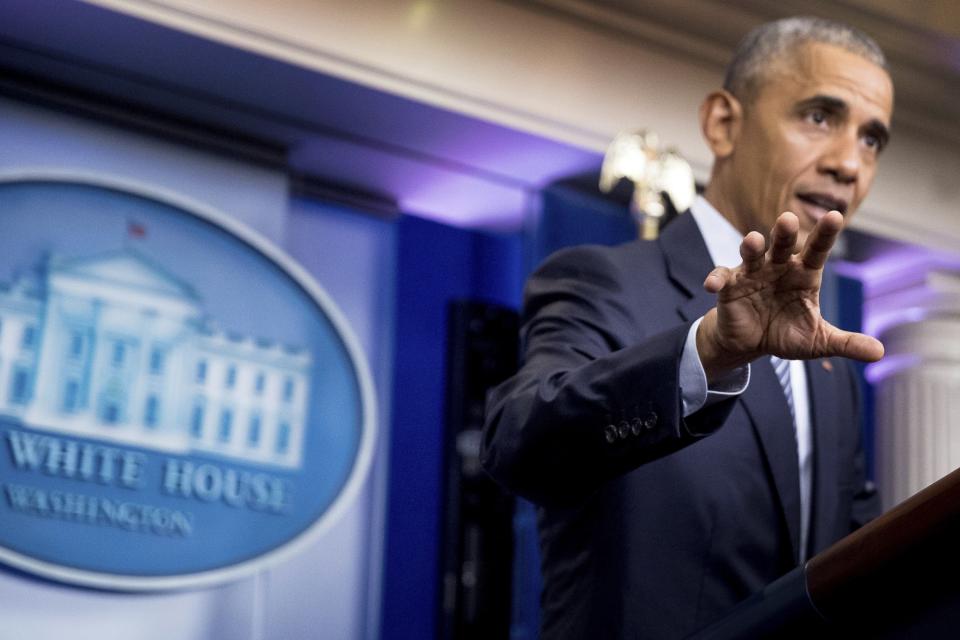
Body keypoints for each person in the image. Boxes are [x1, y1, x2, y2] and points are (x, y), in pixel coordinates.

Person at [481, 16, 892, 639]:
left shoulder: (829, 365)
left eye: (871, 140)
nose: (848, 163)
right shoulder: (603, 280)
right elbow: (519, 443)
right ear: (724, 124)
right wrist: (708, 353)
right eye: (819, 117)